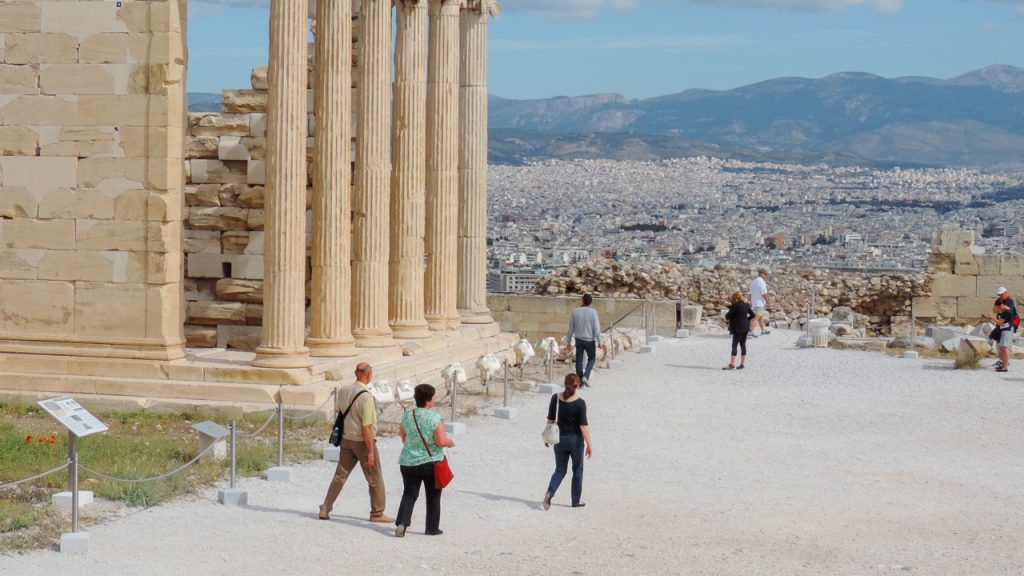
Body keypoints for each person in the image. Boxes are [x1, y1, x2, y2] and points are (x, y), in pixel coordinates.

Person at [319, 363, 394, 524]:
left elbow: (340, 411)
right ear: (369, 375)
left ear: (356, 374)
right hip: (362, 441)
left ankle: (325, 507)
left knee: (340, 475)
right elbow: (366, 427)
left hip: (346, 439)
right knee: (374, 477)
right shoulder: (367, 397)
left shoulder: (344, 390)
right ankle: (377, 512)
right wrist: (371, 450)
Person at [394, 384, 456, 537]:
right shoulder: (435, 417)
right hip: (431, 462)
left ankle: (402, 523)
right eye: (433, 398)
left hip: (408, 461)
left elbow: (404, 437)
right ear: (428, 402)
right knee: (433, 496)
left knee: (409, 493)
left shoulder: (408, 415)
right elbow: (441, 441)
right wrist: (450, 442)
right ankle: (431, 528)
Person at [543, 374, 593, 510]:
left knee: (560, 469)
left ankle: (550, 492)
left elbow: (550, 419)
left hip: (559, 439)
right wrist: (589, 444)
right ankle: (575, 501)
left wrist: (547, 437)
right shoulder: (580, 403)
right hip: (575, 440)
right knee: (577, 470)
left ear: (565, 384)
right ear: (577, 386)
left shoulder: (556, 399)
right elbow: (583, 426)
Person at [567, 294, 601, 387]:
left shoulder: (575, 311)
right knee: (592, 358)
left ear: (583, 301)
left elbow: (571, 328)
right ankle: (585, 376)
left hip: (579, 339)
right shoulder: (593, 312)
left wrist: (568, 341)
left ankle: (580, 381)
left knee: (578, 361)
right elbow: (596, 327)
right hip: (590, 340)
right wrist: (599, 340)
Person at [724, 292, 756, 370]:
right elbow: (753, 315)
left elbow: (727, 316)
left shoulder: (735, 305)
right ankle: (742, 364)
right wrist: (746, 320)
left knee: (734, 345)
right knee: (743, 345)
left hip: (737, 328)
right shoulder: (746, 305)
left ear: (735, 298)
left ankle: (731, 364)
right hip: (745, 328)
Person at [993, 287, 1017, 370]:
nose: (1000, 296)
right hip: (1000, 327)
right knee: (1000, 346)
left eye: (1001, 294)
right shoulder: (999, 300)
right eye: (999, 294)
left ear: (1006, 292)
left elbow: (1008, 310)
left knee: (1004, 347)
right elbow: (995, 309)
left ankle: (1005, 365)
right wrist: (1001, 308)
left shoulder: (1010, 301)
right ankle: (1002, 362)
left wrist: (1002, 308)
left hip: (1007, 327)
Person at [748, 270, 771, 337]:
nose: (766, 276)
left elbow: (750, 294)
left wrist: (749, 301)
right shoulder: (761, 282)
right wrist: (768, 302)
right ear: (762, 274)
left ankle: (763, 331)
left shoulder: (753, 282)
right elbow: (764, 293)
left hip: (754, 302)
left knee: (760, 317)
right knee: (757, 317)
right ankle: (750, 332)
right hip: (759, 302)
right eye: (766, 274)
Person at [992, 302, 1014, 373]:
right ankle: (1003, 366)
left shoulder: (1007, 312)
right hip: (1003, 331)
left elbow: (1000, 323)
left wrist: (991, 317)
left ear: (1002, 305)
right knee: (1002, 348)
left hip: (1006, 331)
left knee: (1004, 349)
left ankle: (1005, 367)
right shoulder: (1004, 312)